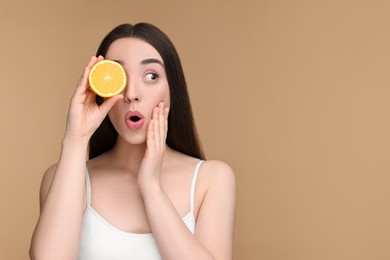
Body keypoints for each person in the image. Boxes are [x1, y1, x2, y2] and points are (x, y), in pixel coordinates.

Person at [29, 23, 236, 260]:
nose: (132, 94)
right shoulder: (64, 178)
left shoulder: (211, 179)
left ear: (172, 89)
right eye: (118, 77)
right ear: (100, 90)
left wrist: (151, 187)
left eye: (151, 76)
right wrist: (76, 138)